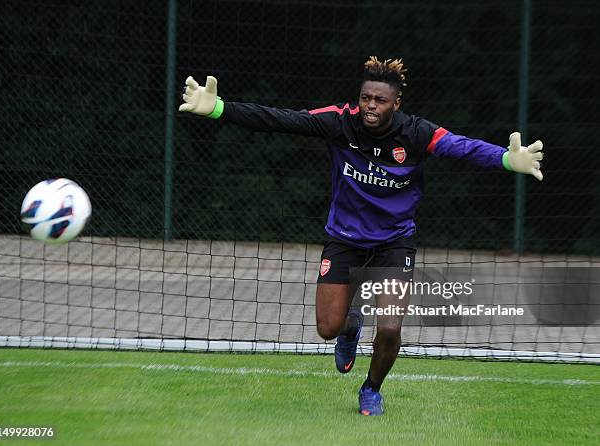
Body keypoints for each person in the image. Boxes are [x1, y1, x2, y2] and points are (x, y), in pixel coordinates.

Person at [179, 56, 544, 416]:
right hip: (344, 238)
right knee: (327, 329)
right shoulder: (340, 122)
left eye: (380, 100)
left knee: (389, 327)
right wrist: (218, 109)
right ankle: (350, 324)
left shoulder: (416, 132)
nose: (370, 105)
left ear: (396, 103)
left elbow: (462, 147)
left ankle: (371, 389)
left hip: (394, 241)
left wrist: (505, 159)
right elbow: (281, 119)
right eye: (365, 97)